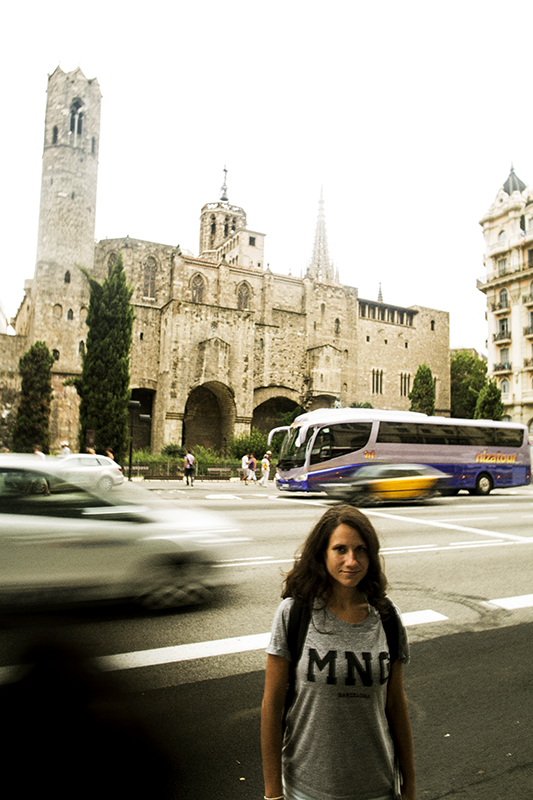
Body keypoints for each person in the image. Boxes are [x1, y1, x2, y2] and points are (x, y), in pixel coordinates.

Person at [261, 505, 416, 800]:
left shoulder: (386, 617)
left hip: (376, 787)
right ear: (322, 553)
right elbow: (272, 706)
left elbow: (396, 705)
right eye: (340, 549)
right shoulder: (294, 614)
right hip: (306, 789)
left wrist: (409, 784)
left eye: (360, 550)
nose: (351, 560)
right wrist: (272, 793)